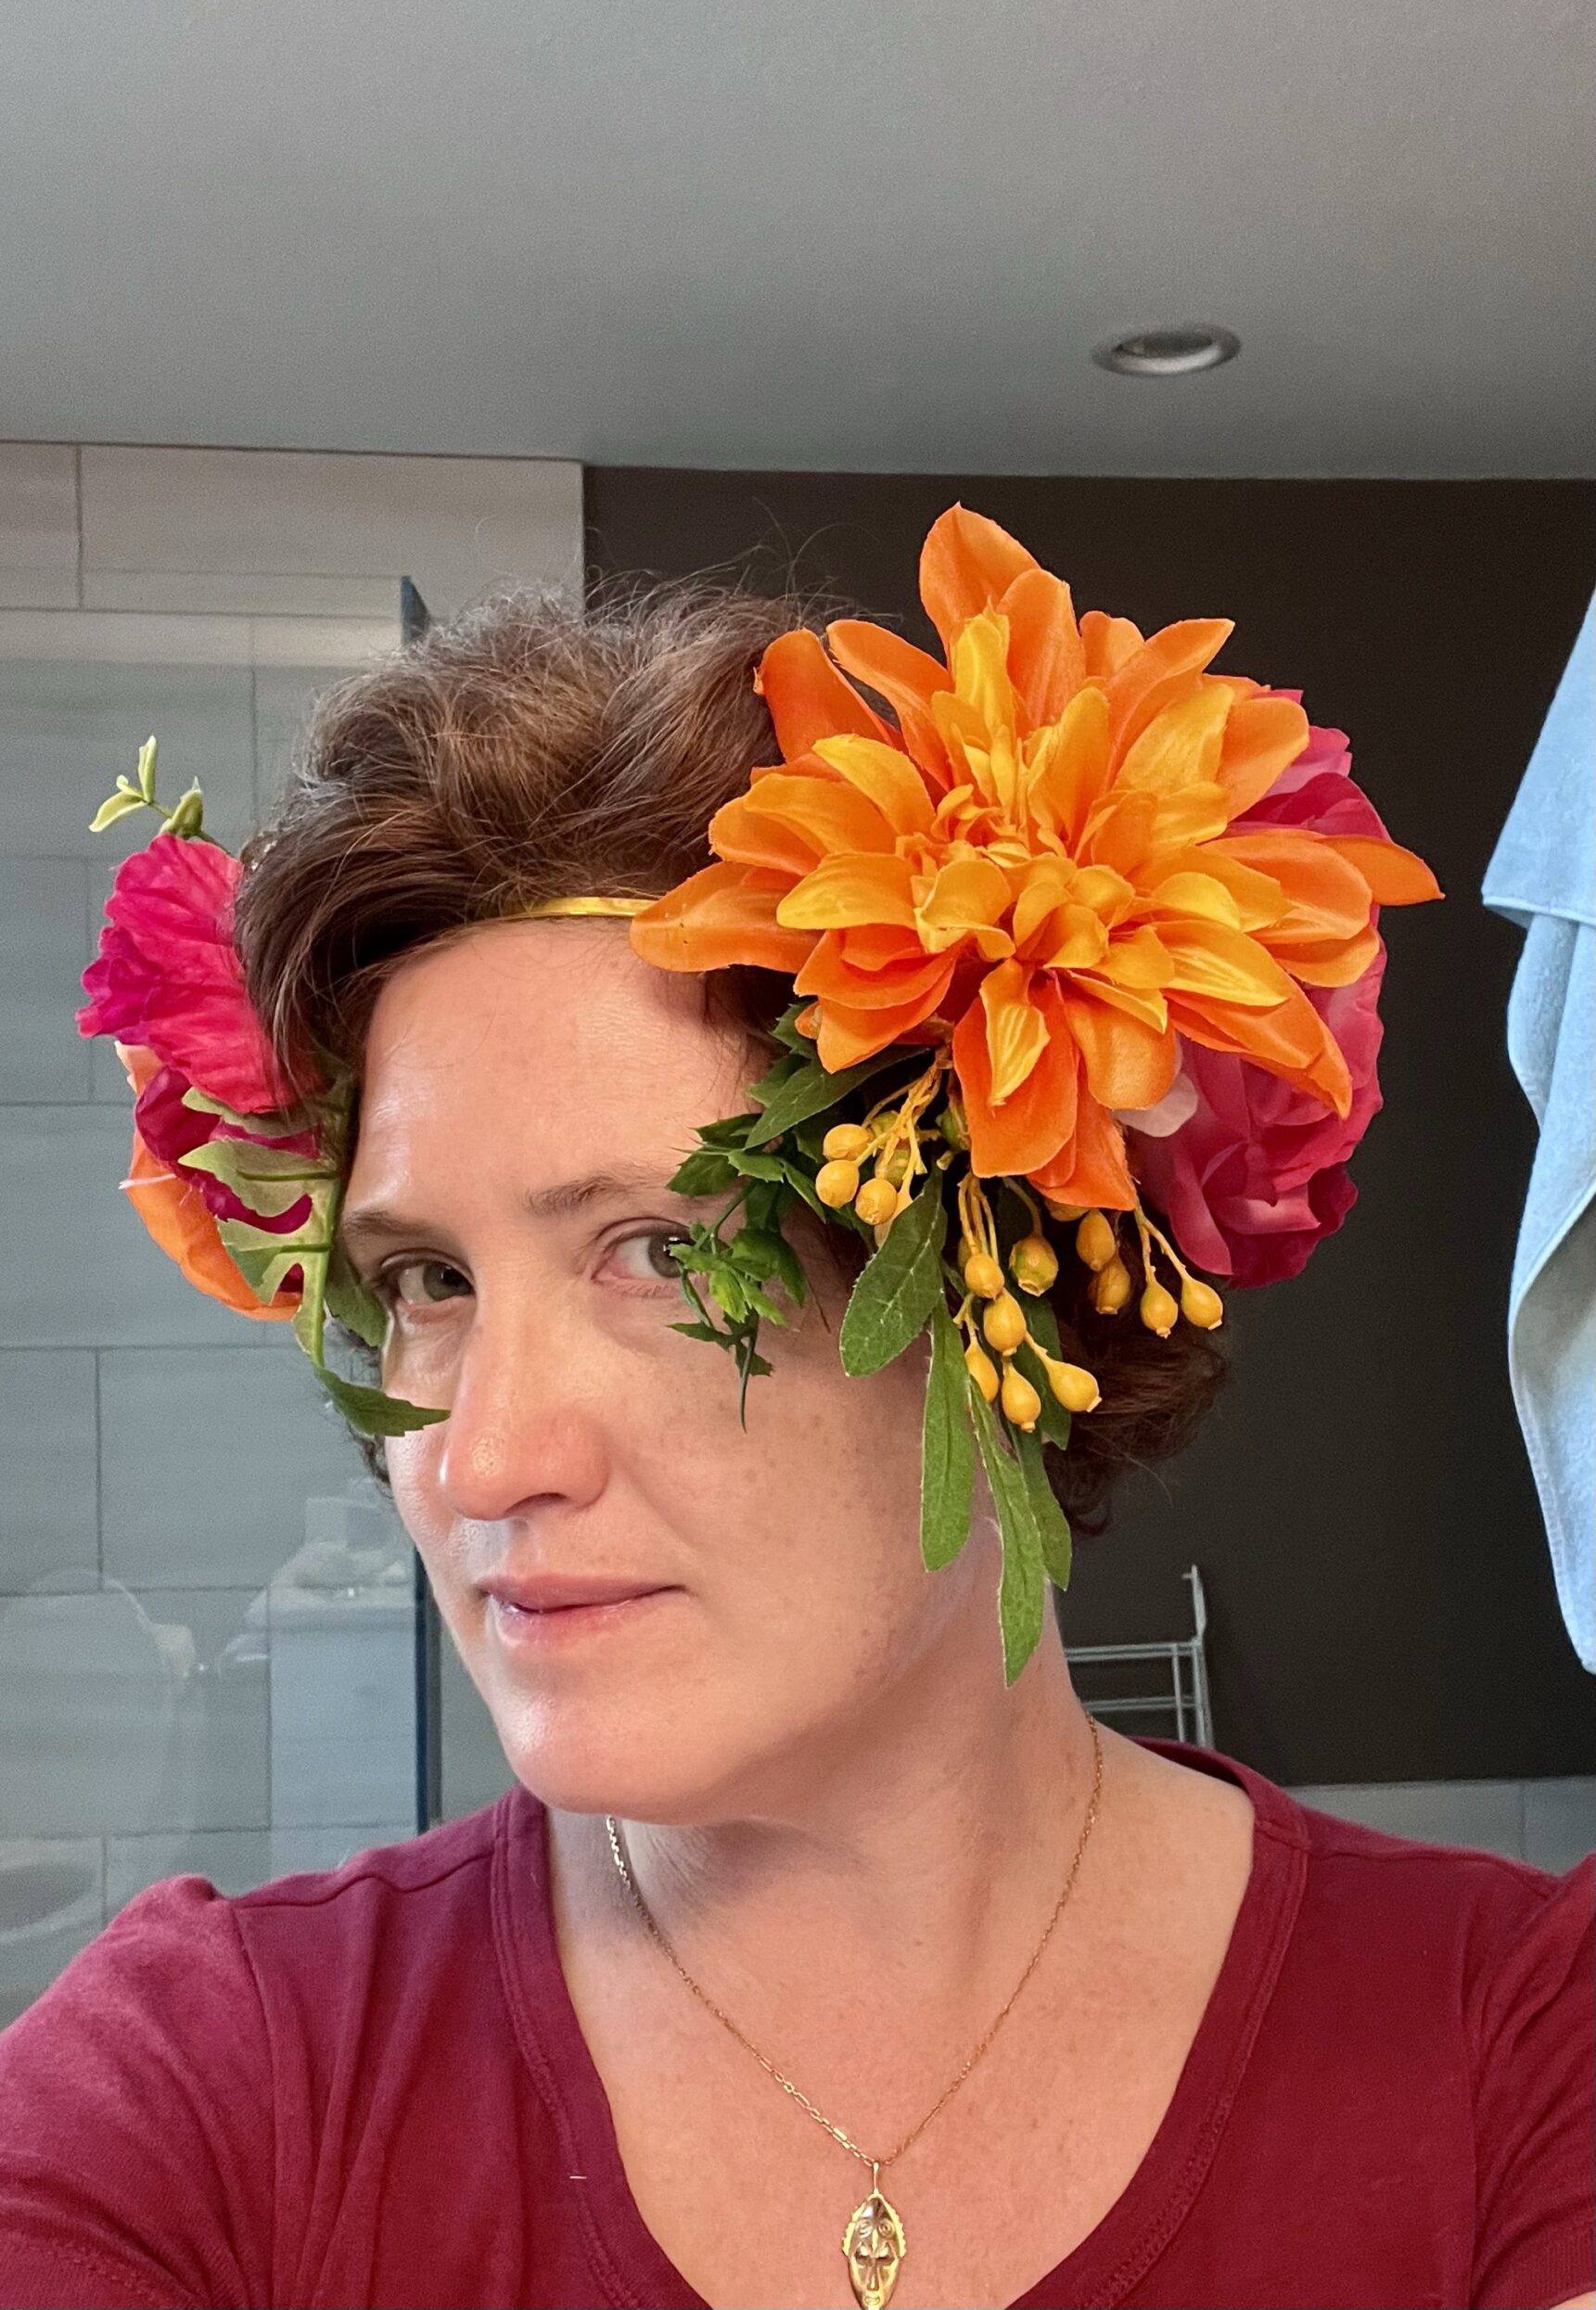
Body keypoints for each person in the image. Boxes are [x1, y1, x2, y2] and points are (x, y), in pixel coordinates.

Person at [1, 509, 1590, 2310]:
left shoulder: (1518, 2050)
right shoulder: (206, 2087)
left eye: (664, 1251)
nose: (486, 1458)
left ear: (1006, 1279)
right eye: (430, 1278)